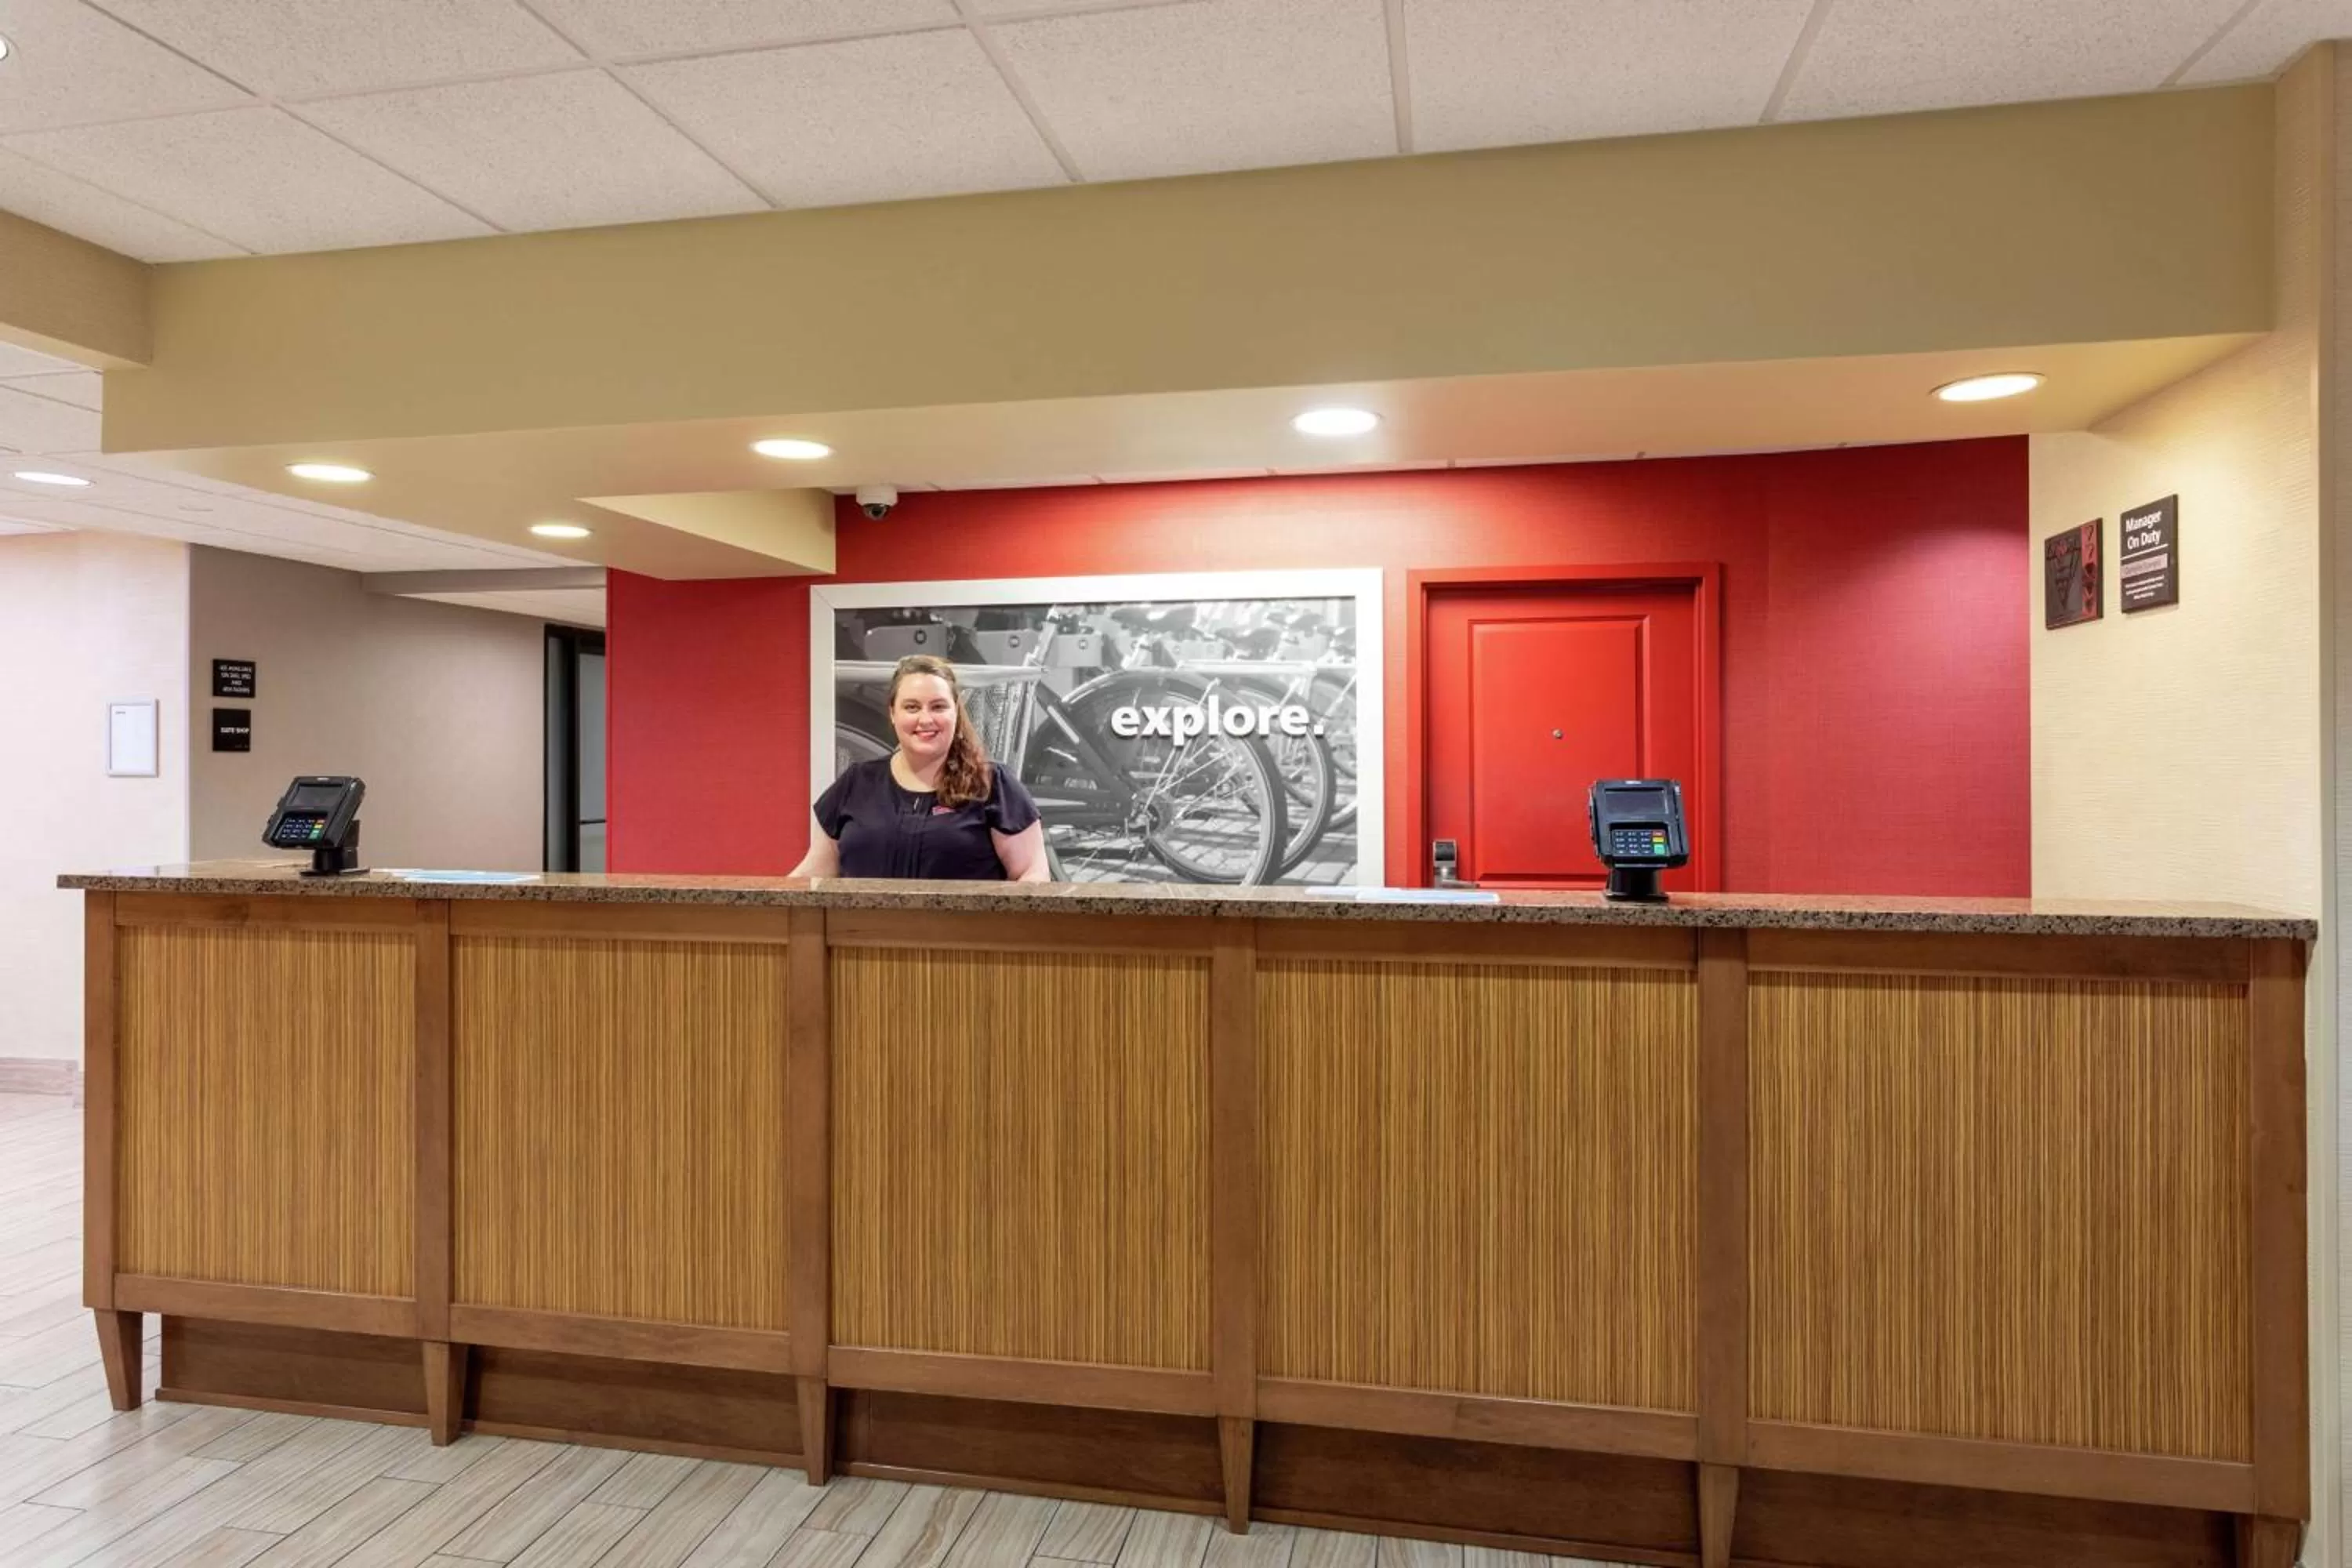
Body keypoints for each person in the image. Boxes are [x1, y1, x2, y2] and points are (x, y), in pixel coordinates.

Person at [791, 654, 1051, 881]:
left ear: (956, 712)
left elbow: (1033, 875)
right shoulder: (856, 783)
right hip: (861, 936)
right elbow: (814, 873)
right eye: (912, 707)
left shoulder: (994, 785)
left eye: (938, 707)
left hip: (963, 937)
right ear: (893, 713)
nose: (925, 719)